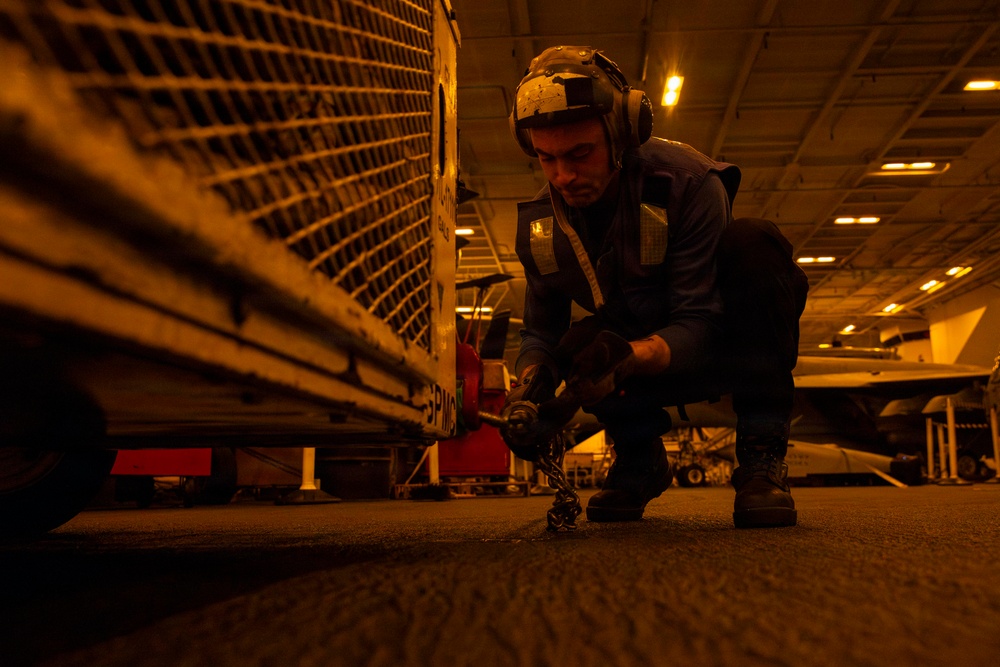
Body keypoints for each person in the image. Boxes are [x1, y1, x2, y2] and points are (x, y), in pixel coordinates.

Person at [500, 45, 809, 528]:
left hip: (724, 343)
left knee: (756, 243)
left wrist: (626, 357)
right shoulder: (543, 226)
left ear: (623, 133)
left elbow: (701, 321)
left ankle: (761, 457)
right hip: (636, 360)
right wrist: (532, 386)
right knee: (580, 344)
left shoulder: (688, 184)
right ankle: (639, 458)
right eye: (547, 159)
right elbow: (540, 333)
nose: (563, 176)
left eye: (580, 153)